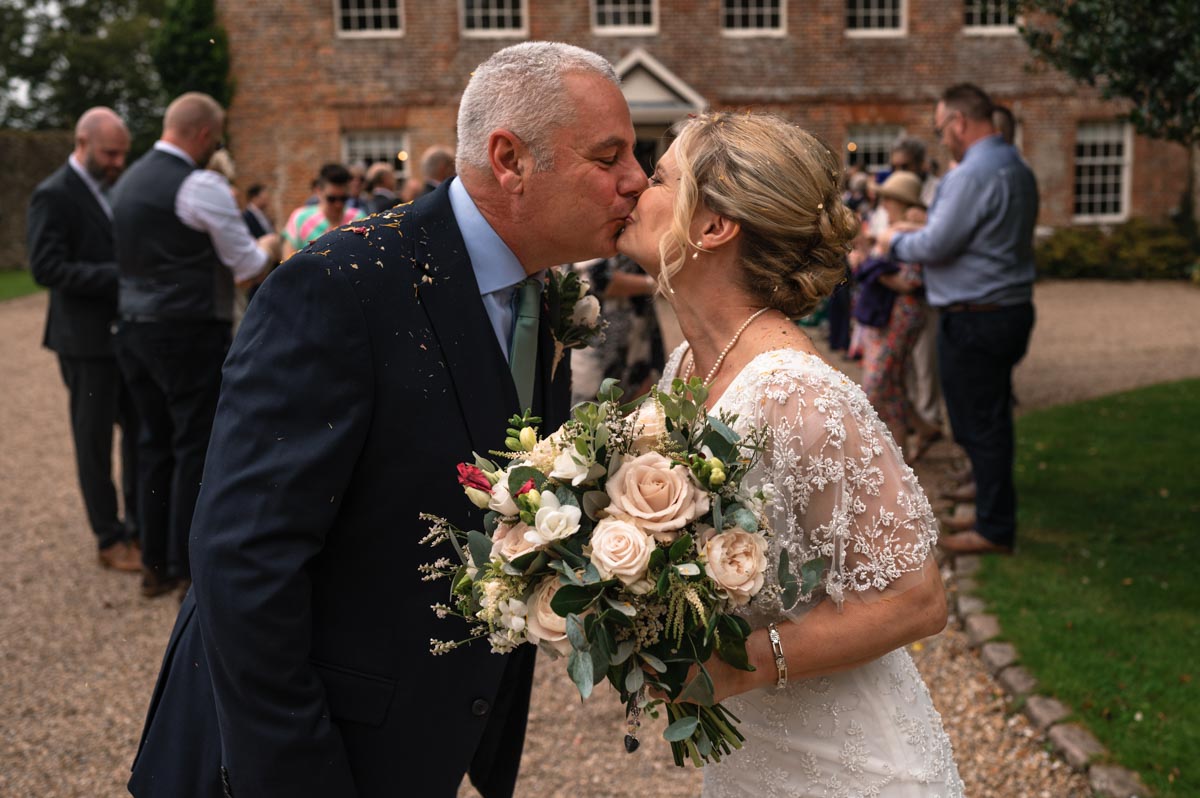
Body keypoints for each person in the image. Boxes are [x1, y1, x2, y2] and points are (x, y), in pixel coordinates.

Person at [127, 42, 646, 798]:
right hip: (285, 757)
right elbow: (244, 561)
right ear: (511, 159)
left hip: (412, 740)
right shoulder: (339, 288)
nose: (636, 179)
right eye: (610, 156)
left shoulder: (542, 294)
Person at [615, 111, 962, 797]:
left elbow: (918, 601)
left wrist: (740, 665)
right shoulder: (689, 365)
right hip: (752, 755)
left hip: (850, 769)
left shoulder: (795, 391)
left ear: (714, 226)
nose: (633, 188)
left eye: (657, 177)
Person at [110, 92, 280, 599]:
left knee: (150, 441)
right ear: (204, 135)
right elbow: (247, 266)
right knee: (193, 443)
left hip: (132, 329)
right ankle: (188, 568)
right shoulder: (199, 184)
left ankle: (153, 563)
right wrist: (269, 246)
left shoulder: (126, 182)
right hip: (185, 330)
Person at [880, 83, 1038, 556]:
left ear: (959, 122)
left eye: (940, 128)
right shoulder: (1015, 165)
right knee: (990, 418)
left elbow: (937, 246)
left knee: (977, 424)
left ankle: (993, 527)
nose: (941, 139)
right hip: (1008, 309)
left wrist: (893, 241)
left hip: (976, 316)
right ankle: (987, 496)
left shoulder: (972, 174)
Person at [26, 106, 141, 572]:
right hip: (83, 342)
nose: (118, 163)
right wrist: (119, 277)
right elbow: (45, 267)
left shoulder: (115, 188)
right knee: (92, 443)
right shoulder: (52, 195)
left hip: (125, 334)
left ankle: (138, 526)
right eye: (111, 154)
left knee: (139, 432)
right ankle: (108, 539)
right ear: (83, 143)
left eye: (122, 155)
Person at [853, 171, 943, 458]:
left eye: (889, 198)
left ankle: (896, 457)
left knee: (877, 384)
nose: (884, 203)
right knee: (892, 382)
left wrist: (869, 263)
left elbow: (909, 282)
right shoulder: (892, 226)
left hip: (902, 315)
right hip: (886, 314)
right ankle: (922, 431)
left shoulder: (913, 228)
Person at [280, 162, 365, 259]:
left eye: (343, 198)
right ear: (318, 191)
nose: (338, 204)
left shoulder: (358, 218)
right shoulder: (300, 219)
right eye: (331, 199)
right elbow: (287, 261)